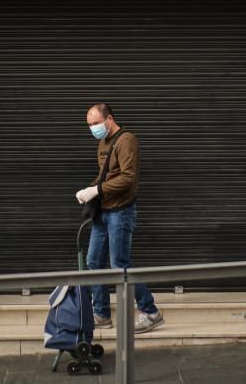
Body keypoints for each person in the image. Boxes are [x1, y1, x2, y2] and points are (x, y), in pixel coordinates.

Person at [75, 103, 165, 334]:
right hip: (103, 213)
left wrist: (97, 190)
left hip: (121, 212)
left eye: (95, 123)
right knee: (94, 262)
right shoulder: (102, 142)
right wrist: (91, 188)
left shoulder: (127, 141)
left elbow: (127, 178)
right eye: (90, 125)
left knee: (120, 265)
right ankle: (102, 314)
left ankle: (151, 312)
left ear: (109, 119)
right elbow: (106, 175)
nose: (93, 128)